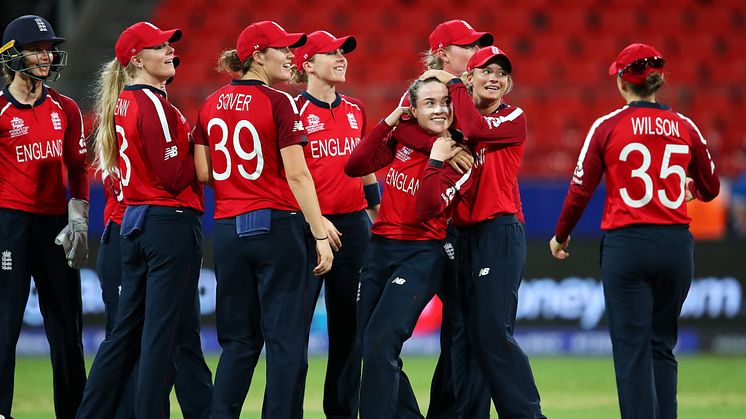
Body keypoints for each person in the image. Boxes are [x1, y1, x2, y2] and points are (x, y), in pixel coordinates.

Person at [550, 43, 720, 419]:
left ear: (623, 82)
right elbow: (711, 187)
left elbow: (580, 189)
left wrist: (561, 235)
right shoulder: (685, 125)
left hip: (628, 244)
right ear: (658, 83)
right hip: (676, 245)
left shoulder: (607, 126)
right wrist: (689, 187)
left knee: (632, 349)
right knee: (662, 345)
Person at [191, 21, 332, 419]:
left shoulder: (209, 102)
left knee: (238, 342)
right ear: (257, 55)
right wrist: (319, 233)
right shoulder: (280, 102)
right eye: (283, 49)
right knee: (285, 342)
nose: (292, 56)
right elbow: (298, 174)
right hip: (276, 227)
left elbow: (203, 172)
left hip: (227, 230)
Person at [75, 21, 211, 419]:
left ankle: (91, 412)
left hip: (134, 222)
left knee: (126, 334)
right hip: (166, 222)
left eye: (170, 44)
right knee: (160, 335)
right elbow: (173, 177)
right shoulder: (151, 103)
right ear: (136, 59)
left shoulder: (123, 102)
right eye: (160, 46)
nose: (170, 50)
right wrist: (199, 145)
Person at [423, 46, 545, 418]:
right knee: (465, 334)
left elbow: (476, 129)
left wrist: (456, 83)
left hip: (499, 233)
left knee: (491, 332)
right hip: (459, 235)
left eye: (502, 74)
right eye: (486, 71)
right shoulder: (450, 126)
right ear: (472, 77)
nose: (495, 78)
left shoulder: (513, 117)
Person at [345, 77, 473, 419]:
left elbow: (427, 208)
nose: (440, 109)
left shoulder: (459, 157)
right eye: (429, 103)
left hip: (421, 253)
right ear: (412, 110)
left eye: (444, 102)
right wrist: (388, 121)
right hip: (379, 248)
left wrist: (435, 160)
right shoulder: (402, 142)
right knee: (370, 347)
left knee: (380, 343)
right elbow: (354, 165)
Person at [0, 14, 88, 419]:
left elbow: (78, 168)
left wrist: (79, 215)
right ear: (12, 56)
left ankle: (73, 412)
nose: (46, 56)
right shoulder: (1, 111)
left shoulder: (65, 108)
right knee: (5, 326)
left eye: (48, 48)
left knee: (67, 330)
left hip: (56, 227)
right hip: (11, 227)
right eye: (36, 49)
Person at [291, 30, 379, 419]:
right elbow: (286, 177)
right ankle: (287, 409)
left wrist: (377, 217)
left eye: (343, 52)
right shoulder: (292, 112)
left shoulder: (355, 110)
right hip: (307, 229)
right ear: (307, 64)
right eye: (331, 53)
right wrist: (318, 221)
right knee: (293, 332)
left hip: (354, 229)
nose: (342, 57)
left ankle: (342, 412)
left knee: (351, 332)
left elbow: (365, 171)